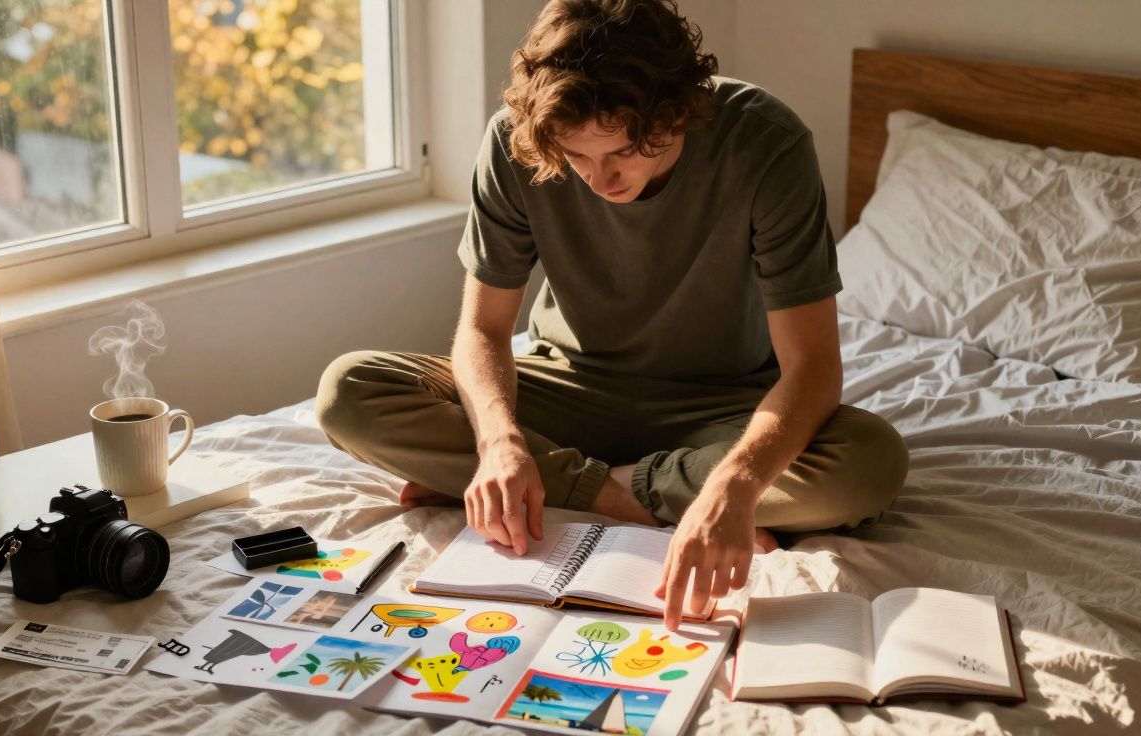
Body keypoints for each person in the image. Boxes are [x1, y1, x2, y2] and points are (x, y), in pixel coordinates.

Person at [315, 0, 908, 630]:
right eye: (576, 157)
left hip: (720, 412)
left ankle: (578, 483)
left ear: (677, 109)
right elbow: (484, 330)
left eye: (620, 151)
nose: (599, 180)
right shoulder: (515, 142)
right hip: (567, 388)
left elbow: (813, 368)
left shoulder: (766, 143)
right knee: (349, 389)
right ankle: (611, 492)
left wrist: (732, 489)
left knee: (869, 461)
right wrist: (498, 442)